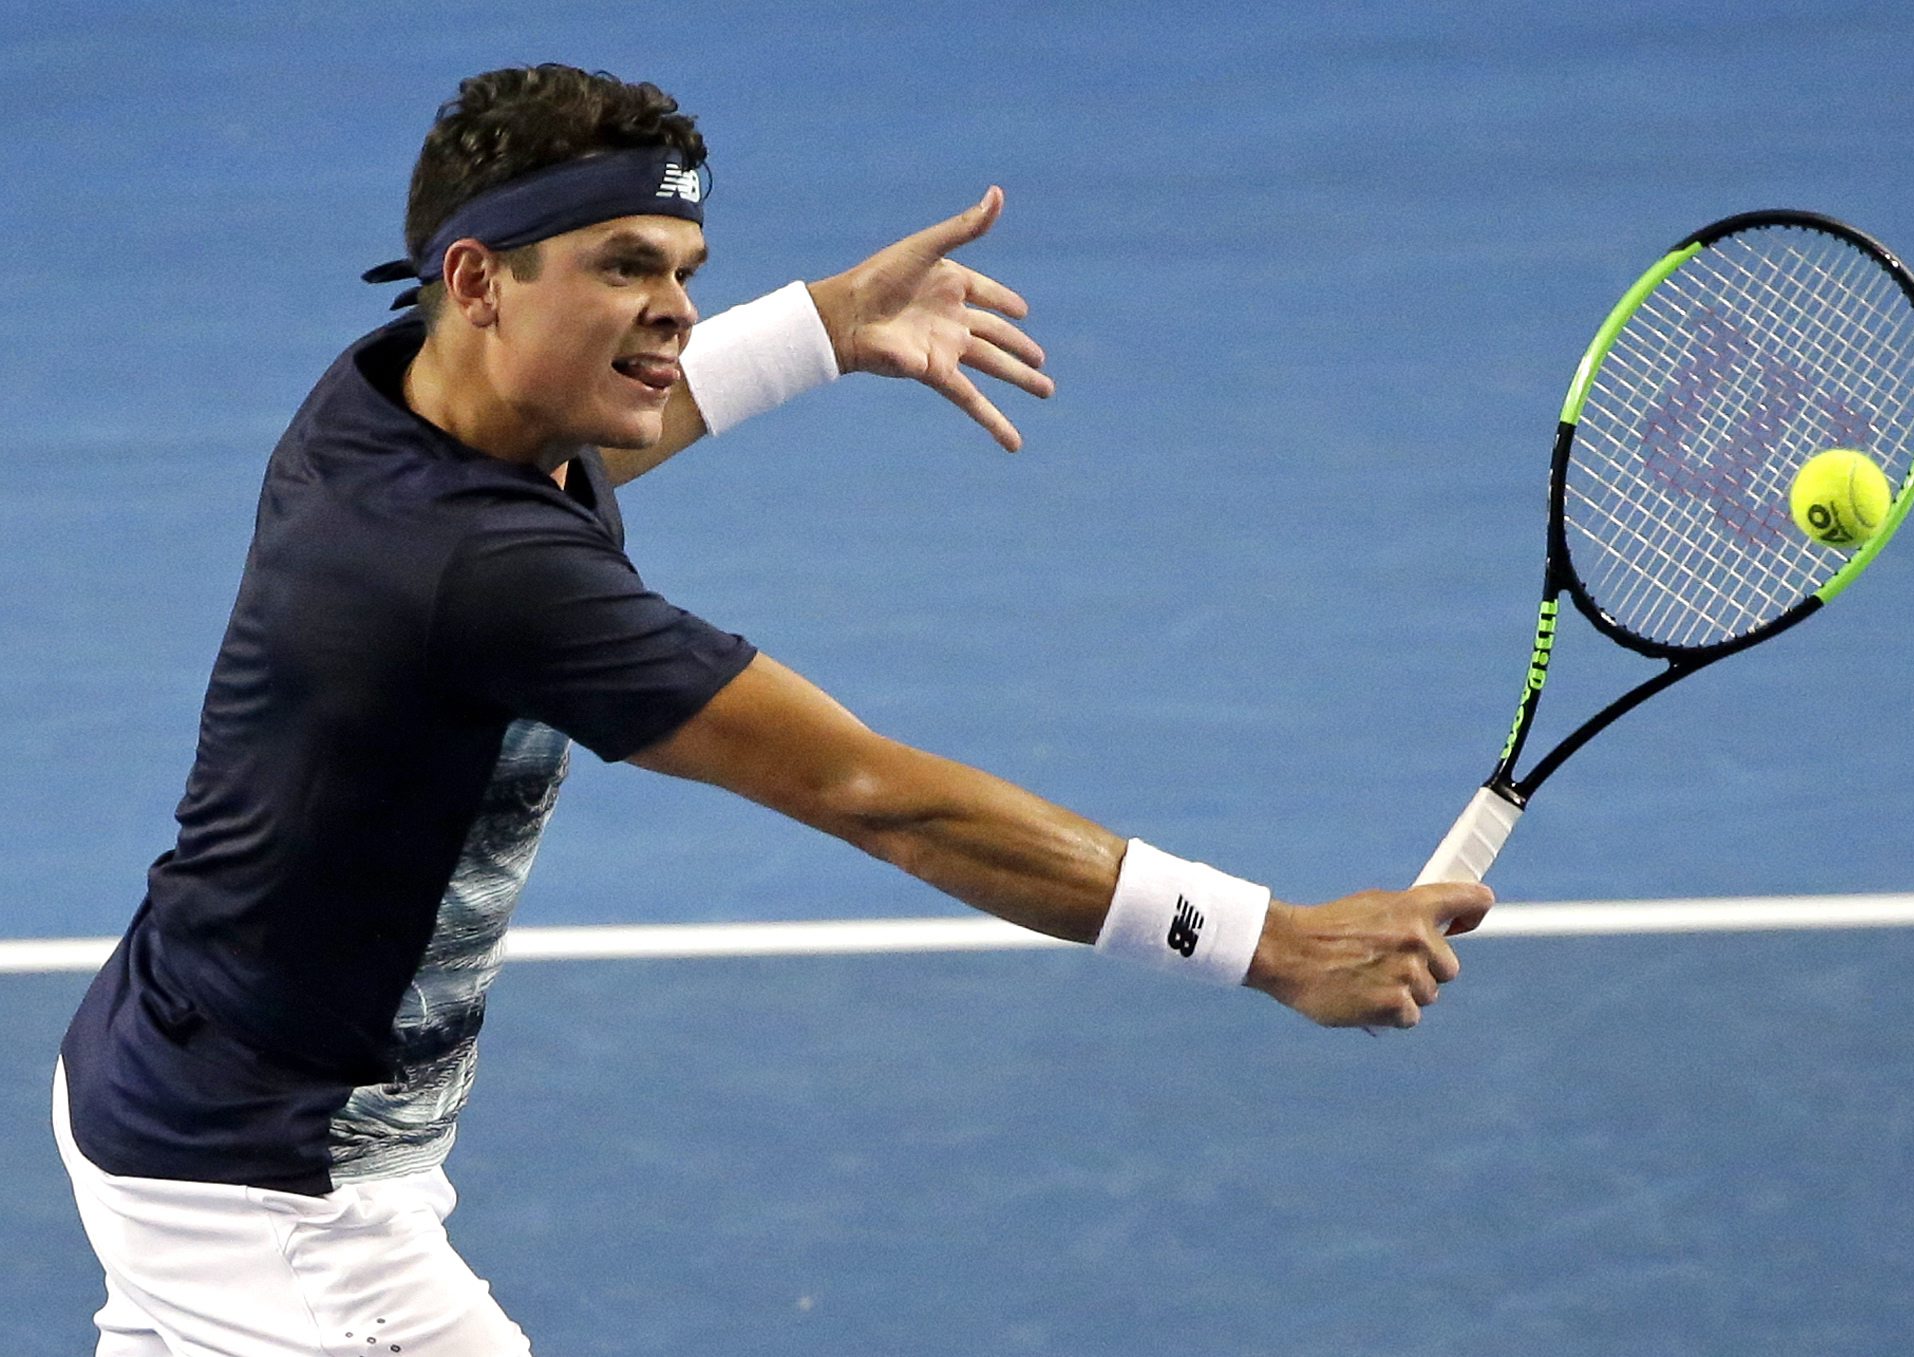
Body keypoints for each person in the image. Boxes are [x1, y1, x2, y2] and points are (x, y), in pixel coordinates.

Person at [53, 63, 1492, 1356]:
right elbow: (882, 796)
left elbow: (623, 424)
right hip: (275, 1194)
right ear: (482, 281)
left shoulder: (401, 398)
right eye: (626, 266)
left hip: (178, 1075)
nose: (675, 307)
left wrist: (823, 326)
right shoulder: (478, 573)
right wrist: (1272, 942)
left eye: (685, 267)